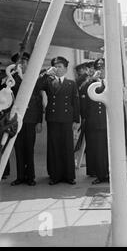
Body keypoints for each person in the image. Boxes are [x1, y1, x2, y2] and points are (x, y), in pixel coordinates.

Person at [38, 56, 80, 185]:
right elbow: (36, 87)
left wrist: (76, 120)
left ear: (66, 69)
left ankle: (69, 176)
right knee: (54, 147)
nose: (57, 69)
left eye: (60, 66)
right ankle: (55, 176)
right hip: (53, 118)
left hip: (67, 119)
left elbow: (75, 102)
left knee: (67, 147)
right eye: (55, 66)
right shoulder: (48, 81)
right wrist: (45, 74)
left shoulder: (71, 83)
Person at [8, 52, 44, 186]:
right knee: (18, 148)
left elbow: (38, 100)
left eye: (25, 62)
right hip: (16, 119)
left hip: (30, 119)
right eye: (20, 62)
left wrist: (39, 121)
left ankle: (30, 177)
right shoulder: (12, 78)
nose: (22, 65)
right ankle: (20, 177)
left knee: (29, 148)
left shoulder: (34, 77)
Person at [81, 58, 109, 184]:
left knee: (109, 149)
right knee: (98, 150)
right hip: (96, 122)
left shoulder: (112, 82)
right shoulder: (91, 83)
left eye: (103, 67)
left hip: (109, 120)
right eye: (99, 67)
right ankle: (101, 175)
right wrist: (91, 80)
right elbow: (81, 91)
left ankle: (111, 173)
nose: (101, 70)